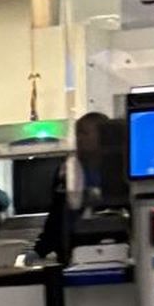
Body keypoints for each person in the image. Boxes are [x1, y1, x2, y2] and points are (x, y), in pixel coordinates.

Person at [36, 112, 113, 262]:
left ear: (103, 136)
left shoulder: (118, 171)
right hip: (73, 250)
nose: (79, 139)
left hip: (112, 247)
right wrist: (39, 250)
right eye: (77, 133)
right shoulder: (67, 172)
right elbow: (56, 216)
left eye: (85, 133)